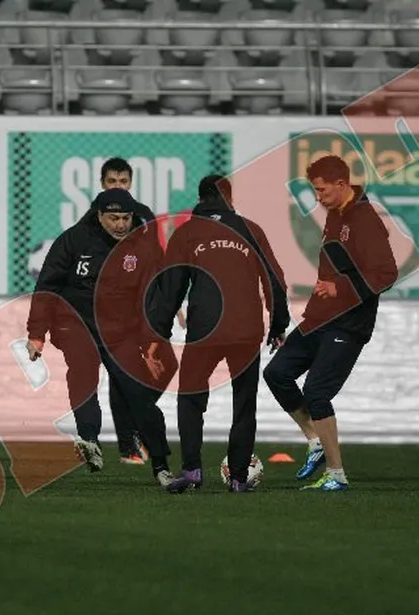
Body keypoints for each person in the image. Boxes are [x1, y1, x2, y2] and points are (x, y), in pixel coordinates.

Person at [145, 174, 290, 493]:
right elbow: (274, 279)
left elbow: (171, 288)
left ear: (200, 199)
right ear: (230, 198)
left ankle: (192, 470)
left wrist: (158, 334)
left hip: (205, 329)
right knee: (244, 403)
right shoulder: (251, 229)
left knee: (191, 398)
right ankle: (238, 477)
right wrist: (278, 323)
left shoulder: (187, 232)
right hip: (246, 329)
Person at [262, 155, 398, 492]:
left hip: (348, 324)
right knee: (276, 373)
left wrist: (341, 288)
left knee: (317, 392)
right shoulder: (337, 215)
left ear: (341, 184)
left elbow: (386, 273)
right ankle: (315, 440)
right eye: (315, 190)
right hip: (321, 318)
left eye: (322, 190)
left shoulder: (364, 219)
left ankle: (336, 474)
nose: (318, 197)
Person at [25, 188, 173, 486]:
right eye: (114, 218)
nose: (121, 224)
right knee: (83, 368)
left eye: (126, 218)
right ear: (99, 215)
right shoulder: (73, 240)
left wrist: (151, 343)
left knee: (139, 393)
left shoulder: (141, 248)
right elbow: (47, 287)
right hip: (75, 324)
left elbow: (150, 299)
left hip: (120, 331)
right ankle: (90, 440)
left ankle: (161, 465)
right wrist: (37, 333)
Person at [66, 156, 183, 466]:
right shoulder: (91, 221)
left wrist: (171, 300)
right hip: (108, 313)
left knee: (166, 365)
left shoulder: (142, 216)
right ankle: (125, 440)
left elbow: (157, 259)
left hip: (143, 304)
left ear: (130, 183)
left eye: (122, 181)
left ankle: (132, 423)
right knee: (120, 372)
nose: (117, 186)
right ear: (102, 184)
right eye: (111, 181)